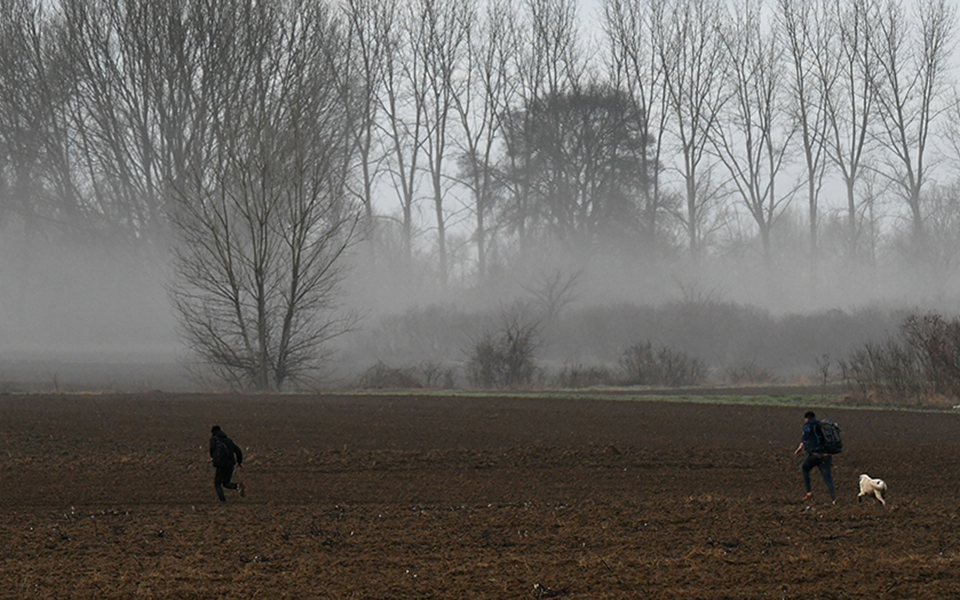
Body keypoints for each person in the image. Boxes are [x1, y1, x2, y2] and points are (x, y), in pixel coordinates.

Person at [794, 411, 836, 503]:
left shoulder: (808, 425)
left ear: (807, 419)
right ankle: (834, 499)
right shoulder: (822, 425)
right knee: (828, 478)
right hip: (826, 456)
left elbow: (806, 434)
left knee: (805, 468)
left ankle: (809, 492)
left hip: (814, 455)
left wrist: (800, 446)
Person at [209, 425, 245, 502]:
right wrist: (239, 462)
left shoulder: (214, 439)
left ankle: (223, 501)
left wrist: (213, 458)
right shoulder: (228, 441)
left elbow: (211, 450)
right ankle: (237, 486)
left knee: (217, 483)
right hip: (230, 464)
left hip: (220, 464)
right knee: (226, 483)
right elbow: (238, 451)